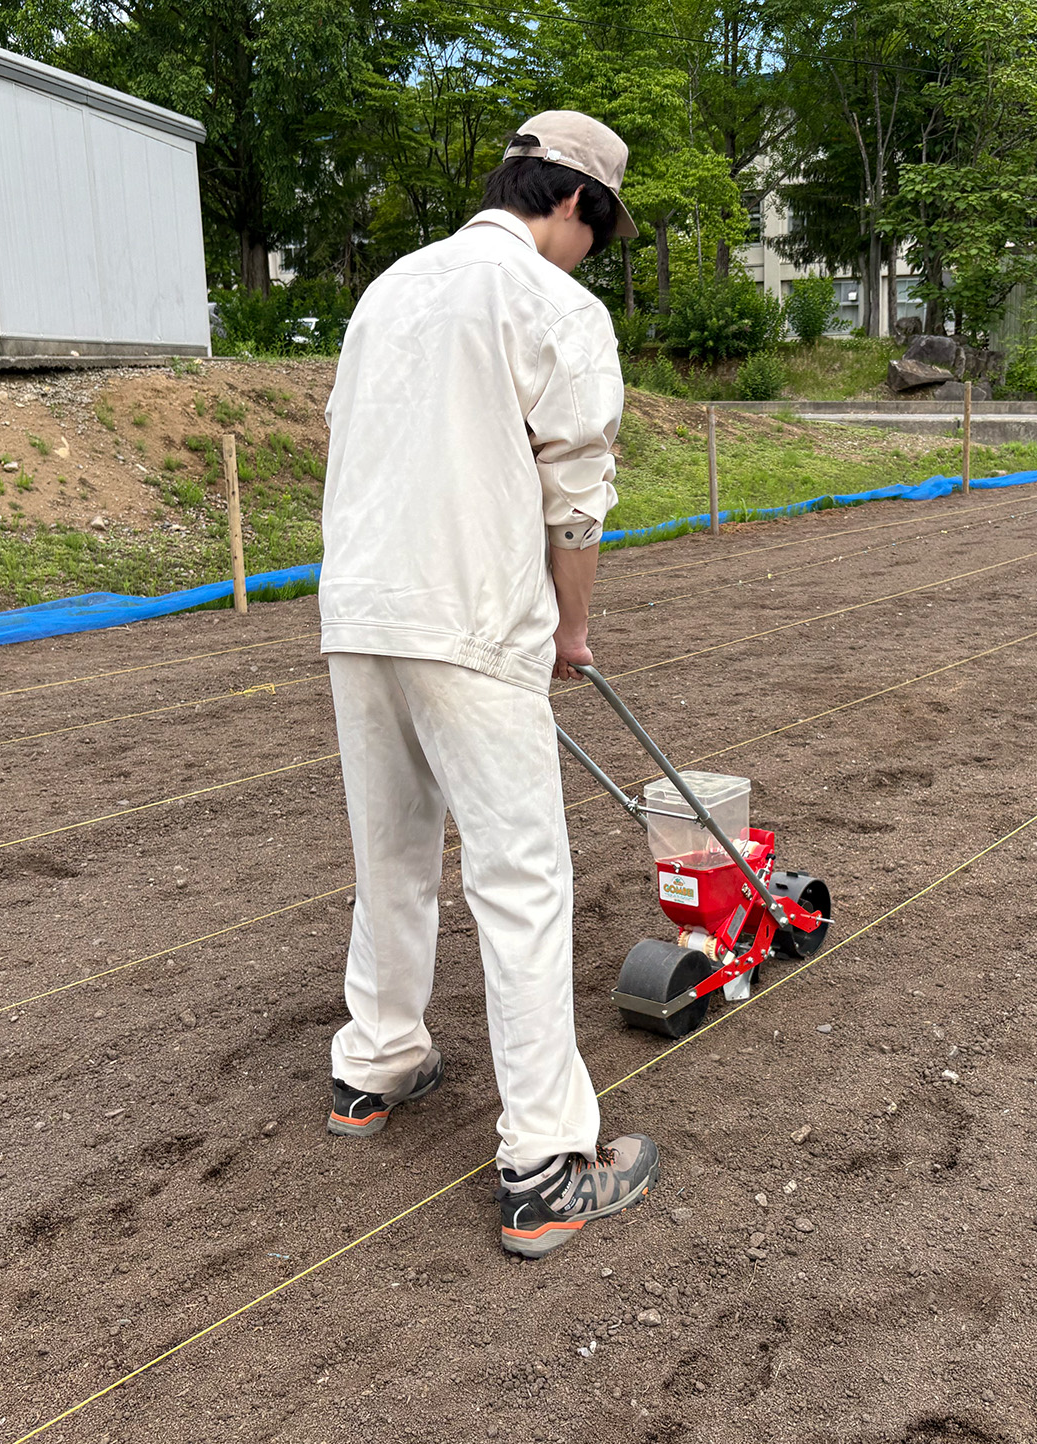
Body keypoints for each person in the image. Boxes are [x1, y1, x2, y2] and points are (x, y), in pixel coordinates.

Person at [315, 111, 659, 1259]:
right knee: (520, 879)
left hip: (360, 612)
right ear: (575, 204)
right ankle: (546, 1165)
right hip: (468, 612)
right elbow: (576, 492)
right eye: (592, 235)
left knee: (392, 849)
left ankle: (376, 1062)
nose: (585, 255)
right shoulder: (554, 305)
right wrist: (572, 627)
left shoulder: (393, 288)